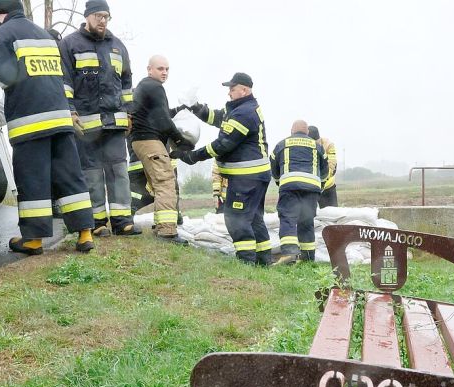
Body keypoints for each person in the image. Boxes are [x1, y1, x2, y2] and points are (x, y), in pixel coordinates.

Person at [0, 0, 95, 255]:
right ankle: (85, 233)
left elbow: (0, 73)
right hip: (60, 118)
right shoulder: (43, 34)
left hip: (30, 122)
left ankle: (34, 240)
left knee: (33, 179)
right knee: (70, 176)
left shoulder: (2, 34)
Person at [60, 0, 139, 237]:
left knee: (119, 172)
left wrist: (129, 113)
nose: (102, 20)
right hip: (86, 125)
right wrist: (70, 111)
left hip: (115, 123)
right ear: (87, 17)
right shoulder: (69, 44)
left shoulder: (118, 46)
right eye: (98, 16)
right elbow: (64, 83)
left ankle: (122, 220)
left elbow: (126, 83)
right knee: (92, 173)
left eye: (106, 16)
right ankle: (97, 222)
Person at [178, 72, 272, 265]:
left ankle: (246, 262)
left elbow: (223, 144)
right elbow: (217, 117)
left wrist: (193, 156)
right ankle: (263, 261)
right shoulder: (241, 109)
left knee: (235, 217)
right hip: (253, 176)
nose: (229, 93)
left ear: (244, 90)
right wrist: (195, 107)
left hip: (247, 177)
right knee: (253, 218)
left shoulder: (244, 113)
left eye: (232, 89)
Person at [130, 55, 191, 242]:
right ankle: (167, 231)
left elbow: (157, 115)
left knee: (157, 185)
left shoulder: (144, 87)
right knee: (166, 183)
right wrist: (181, 141)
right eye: (160, 69)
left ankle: (160, 226)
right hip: (150, 141)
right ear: (149, 69)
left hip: (140, 141)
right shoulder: (155, 87)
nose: (164, 72)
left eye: (167, 69)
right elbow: (163, 120)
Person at [270, 120, 328, 265]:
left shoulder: (281, 144)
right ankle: (308, 258)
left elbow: (274, 167)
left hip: (289, 187)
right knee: (306, 221)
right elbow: (325, 171)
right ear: (307, 132)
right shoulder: (318, 146)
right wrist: (319, 186)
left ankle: (290, 253)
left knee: (288, 218)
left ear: (291, 131)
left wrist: (279, 182)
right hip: (311, 190)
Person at [308, 126, 338, 208]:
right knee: (307, 215)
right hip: (309, 187)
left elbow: (332, 167)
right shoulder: (303, 147)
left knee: (332, 215)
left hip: (327, 186)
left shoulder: (328, 145)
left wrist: (322, 183)